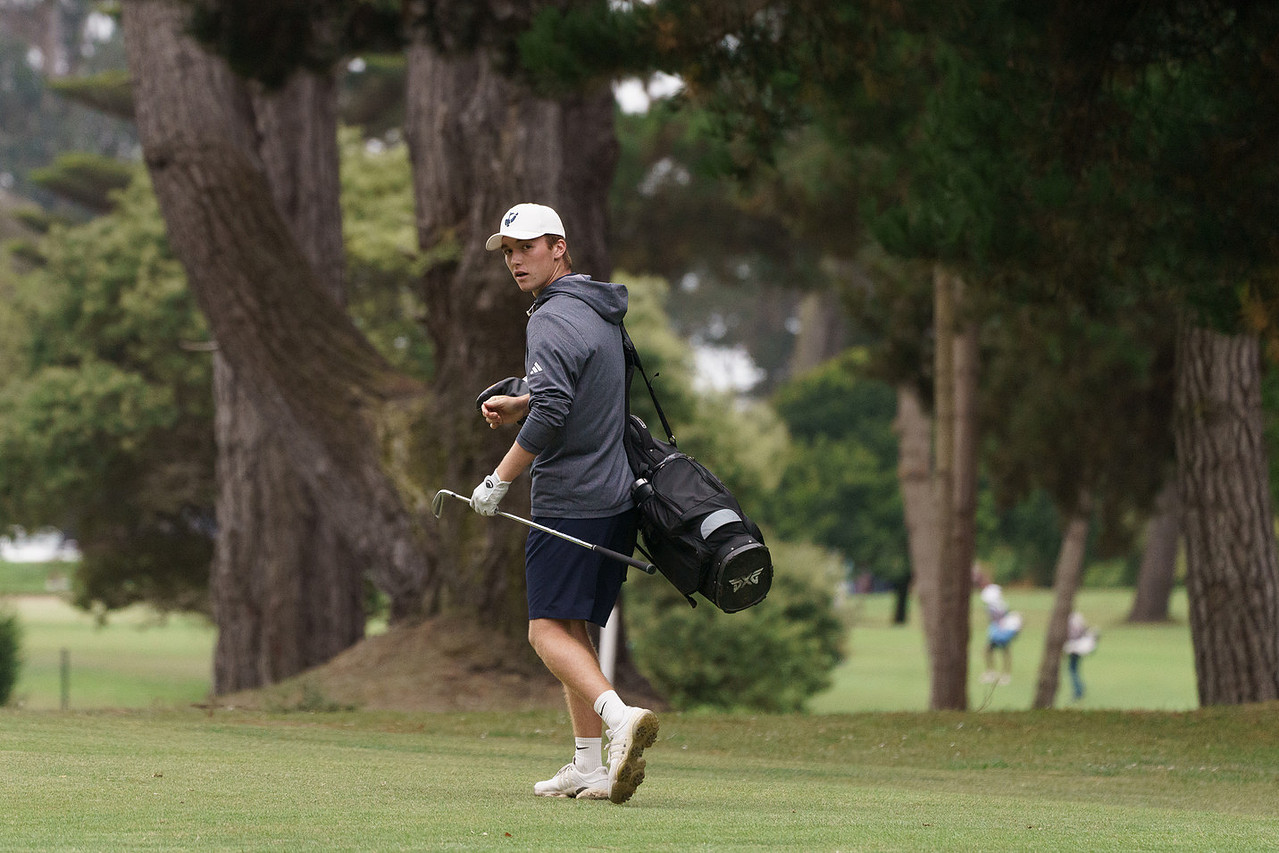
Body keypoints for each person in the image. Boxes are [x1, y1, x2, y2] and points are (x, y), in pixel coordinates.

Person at [469, 202, 658, 805]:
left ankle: (620, 717)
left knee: (544, 630)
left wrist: (498, 480)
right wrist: (521, 400)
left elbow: (553, 410)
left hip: (571, 500)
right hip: (616, 497)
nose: (515, 260)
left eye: (527, 247)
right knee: (572, 629)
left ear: (559, 248)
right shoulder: (597, 308)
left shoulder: (550, 317)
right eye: (508, 251)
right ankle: (589, 767)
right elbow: (575, 391)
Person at [980, 583, 1022, 686]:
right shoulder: (996, 605)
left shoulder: (998, 606)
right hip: (996, 632)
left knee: (1003, 652)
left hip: (1000, 633)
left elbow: (1000, 620)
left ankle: (1004, 675)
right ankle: (993, 673)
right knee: (991, 651)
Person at [1063, 611, 1099, 701]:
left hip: (1074, 649)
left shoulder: (1069, 619)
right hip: (1079, 649)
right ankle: (1080, 688)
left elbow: (1073, 635)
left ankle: (1078, 691)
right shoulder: (1077, 616)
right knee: (1074, 669)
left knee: (1072, 670)